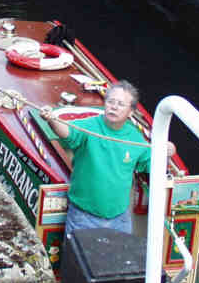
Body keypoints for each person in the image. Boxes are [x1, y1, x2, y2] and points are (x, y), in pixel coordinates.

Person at [40, 80, 175, 235]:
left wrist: (168, 151)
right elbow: (68, 133)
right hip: (83, 217)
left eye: (121, 104)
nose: (114, 107)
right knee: (77, 259)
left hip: (120, 219)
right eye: (111, 101)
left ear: (130, 112)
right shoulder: (88, 127)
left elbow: (153, 164)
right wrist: (51, 119)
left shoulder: (135, 138)